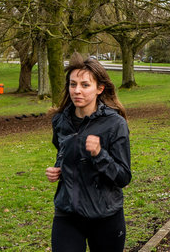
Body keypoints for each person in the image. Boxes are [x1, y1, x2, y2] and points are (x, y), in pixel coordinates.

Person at [45, 53, 131, 252]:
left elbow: (123, 177)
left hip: (105, 215)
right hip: (68, 213)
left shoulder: (114, 124)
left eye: (85, 85)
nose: (77, 90)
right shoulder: (60, 121)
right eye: (73, 84)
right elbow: (63, 152)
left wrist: (100, 154)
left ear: (99, 88)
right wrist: (58, 169)